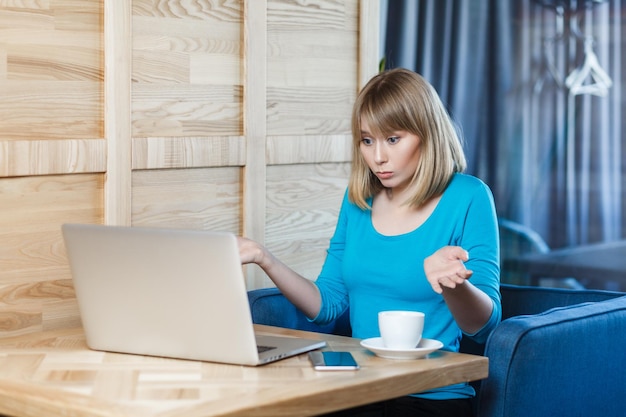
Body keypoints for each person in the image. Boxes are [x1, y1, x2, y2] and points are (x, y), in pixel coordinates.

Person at [238, 68, 501, 417]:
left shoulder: (468, 197)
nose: (378, 157)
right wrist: (263, 257)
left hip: (431, 395)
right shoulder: (358, 200)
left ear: (427, 134)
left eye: (393, 139)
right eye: (367, 140)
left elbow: (483, 326)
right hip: (358, 387)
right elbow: (327, 304)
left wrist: (451, 285)